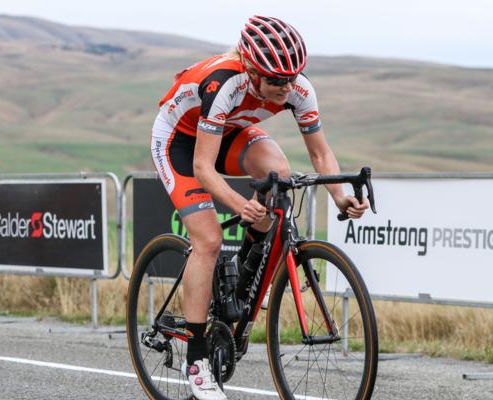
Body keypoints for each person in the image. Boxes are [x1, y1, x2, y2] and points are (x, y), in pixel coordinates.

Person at [150, 15, 369, 400]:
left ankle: (245, 278)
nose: (285, 89)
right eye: (275, 81)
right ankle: (197, 360)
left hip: (230, 131)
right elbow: (203, 166)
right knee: (209, 239)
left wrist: (339, 195)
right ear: (252, 71)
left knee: (279, 172)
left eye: (291, 79)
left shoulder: (298, 87)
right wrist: (238, 203)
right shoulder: (224, 84)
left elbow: (320, 153)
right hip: (180, 144)